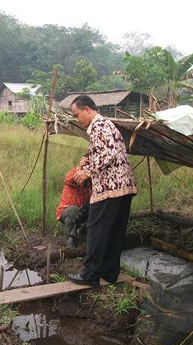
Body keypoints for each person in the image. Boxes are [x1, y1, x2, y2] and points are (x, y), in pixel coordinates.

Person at [67, 95, 137, 286]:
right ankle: (110, 272)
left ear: (87, 109)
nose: (77, 120)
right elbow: (106, 149)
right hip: (123, 187)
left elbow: (110, 152)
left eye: (77, 114)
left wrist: (87, 171)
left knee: (96, 229)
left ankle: (90, 274)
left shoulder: (98, 125)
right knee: (114, 231)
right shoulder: (106, 124)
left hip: (109, 187)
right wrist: (87, 158)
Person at [55, 163, 91, 248]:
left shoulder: (92, 183)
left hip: (82, 211)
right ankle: (72, 237)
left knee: (95, 208)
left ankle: (84, 230)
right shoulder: (74, 173)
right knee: (73, 210)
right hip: (66, 211)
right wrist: (81, 168)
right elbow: (68, 179)